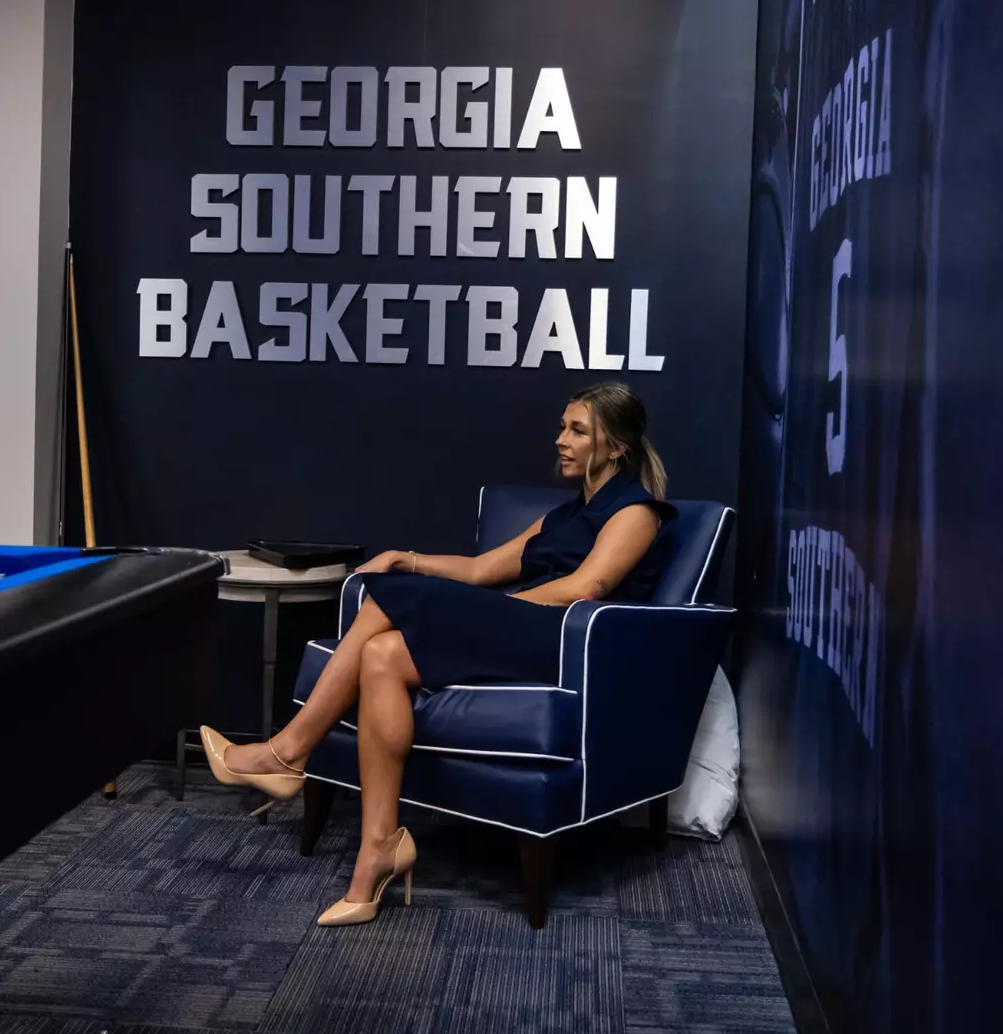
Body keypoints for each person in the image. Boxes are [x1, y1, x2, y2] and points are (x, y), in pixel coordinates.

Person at [200, 382, 677, 927]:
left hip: (561, 644)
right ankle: (377, 852)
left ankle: (286, 754)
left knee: (393, 605)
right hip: (519, 627)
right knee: (381, 654)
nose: (560, 440)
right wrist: (407, 558)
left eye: (577, 430)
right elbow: (480, 570)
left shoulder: (636, 512)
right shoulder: (563, 516)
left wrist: (490, 611)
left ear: (616, 446)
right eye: (562, 426)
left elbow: (585, 587)